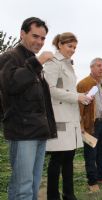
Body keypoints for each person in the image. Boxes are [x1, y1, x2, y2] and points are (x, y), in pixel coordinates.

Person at [0, 17, 57, 200]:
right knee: (22, 187)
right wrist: (38, 62)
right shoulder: (9, 57)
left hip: (38, 131)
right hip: (22, 132)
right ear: (22, 34)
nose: (39, 42)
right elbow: (10, 85)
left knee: (33, 184)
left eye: (43, 38)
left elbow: (42, 101)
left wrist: (49, 128)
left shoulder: (32, 61)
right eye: (35, 36)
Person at [43, 32, 91, 200]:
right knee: (57, 159)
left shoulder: (68, 64)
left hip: (70, 116)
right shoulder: (53, 63)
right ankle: (53, 196)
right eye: (70, 46)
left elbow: (68, 90)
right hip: (59, 117)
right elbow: (49, 89)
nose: (73, 50)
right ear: (60, 45)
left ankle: (69, 195)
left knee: (69, 158)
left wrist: (81, 95)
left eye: (75, 47)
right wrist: (76, 96)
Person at [77, 58, 102, 192]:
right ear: (91, 67)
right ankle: (92, 181)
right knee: (91, 154)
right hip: (90, 125)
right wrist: (81, 126)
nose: (101, 69)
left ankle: (101, 177)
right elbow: (79, 106)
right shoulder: (84, 83)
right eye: (98, 66)